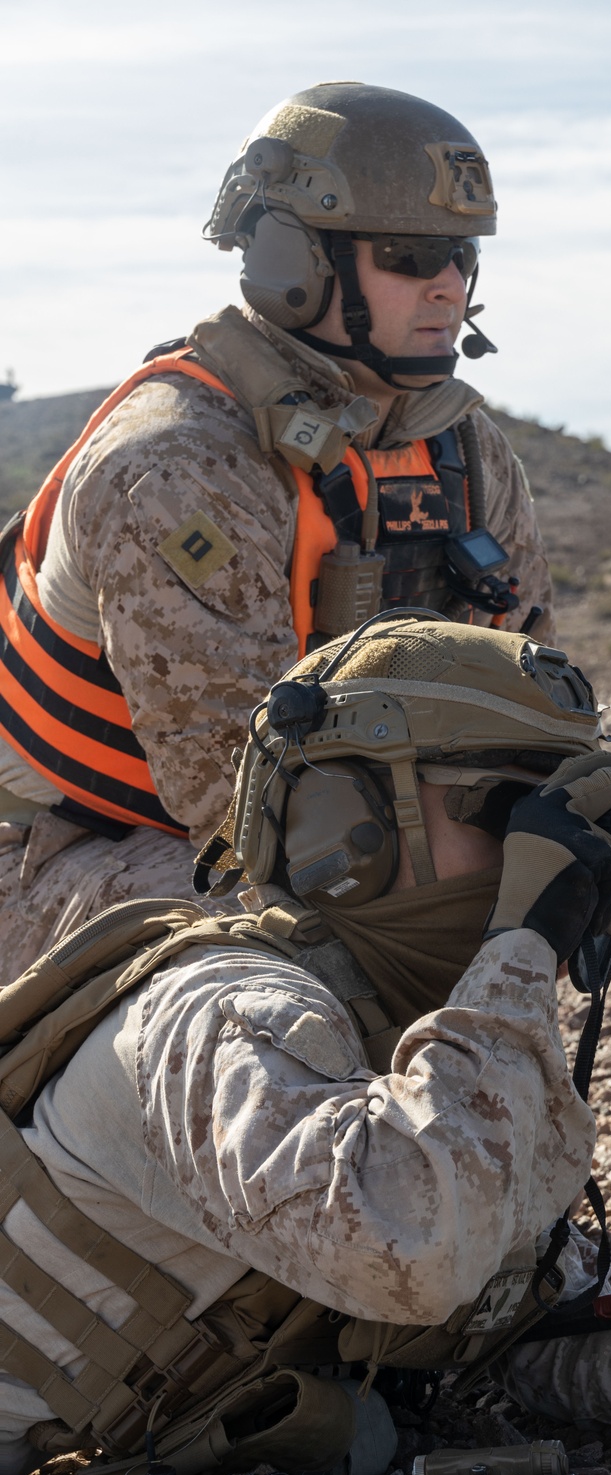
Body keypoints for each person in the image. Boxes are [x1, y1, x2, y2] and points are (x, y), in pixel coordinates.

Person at [0, 618, 611, 1475]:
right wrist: (523, 945)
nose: (561, 857)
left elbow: (501, 1321)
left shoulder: (405, 1032)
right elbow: (416, 1248)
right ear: (346, 831)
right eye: (510, 817)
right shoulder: (226, 1016)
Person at [0, 82, 554, 984]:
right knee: (282, 961)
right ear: (295, 260)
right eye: (411, 254)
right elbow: (238, 811)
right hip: (79, 856)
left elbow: (531, 697)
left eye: (461, 254)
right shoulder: (178, 463)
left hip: (328, 828)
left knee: (538, 899)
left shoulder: (462, 448)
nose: (450, 284)